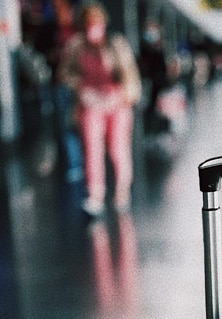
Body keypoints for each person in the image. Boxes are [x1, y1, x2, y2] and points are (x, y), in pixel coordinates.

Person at [59, 3, 141, 216]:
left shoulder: (116, 45)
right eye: (87, 25)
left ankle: (122, 191)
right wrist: (80, 87)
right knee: (91, 150)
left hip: (117, 103)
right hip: (90, 103)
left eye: (95, 24)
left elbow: (130, 77)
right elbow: (65, 73)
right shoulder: (76, 46)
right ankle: (95, 195)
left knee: (117, 149)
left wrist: (122, 95)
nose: (91, 30)